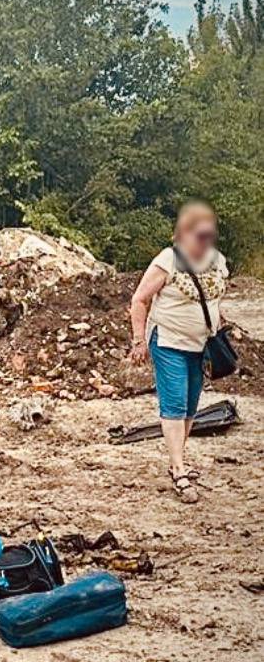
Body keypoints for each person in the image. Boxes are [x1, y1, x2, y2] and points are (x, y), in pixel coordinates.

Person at [129, 201, 228, 503]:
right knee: (174, 404)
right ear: (183, 233)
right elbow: (139, 299)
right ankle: (179, 471)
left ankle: (177, 461)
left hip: (201, 344)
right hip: (169, 342)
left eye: (209, 236)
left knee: (190, 406)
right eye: (200, 236)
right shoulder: (167, 260)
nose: (205, 242)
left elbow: (214, 298)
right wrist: (138, 340)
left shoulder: (217, 260)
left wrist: (217, 325)